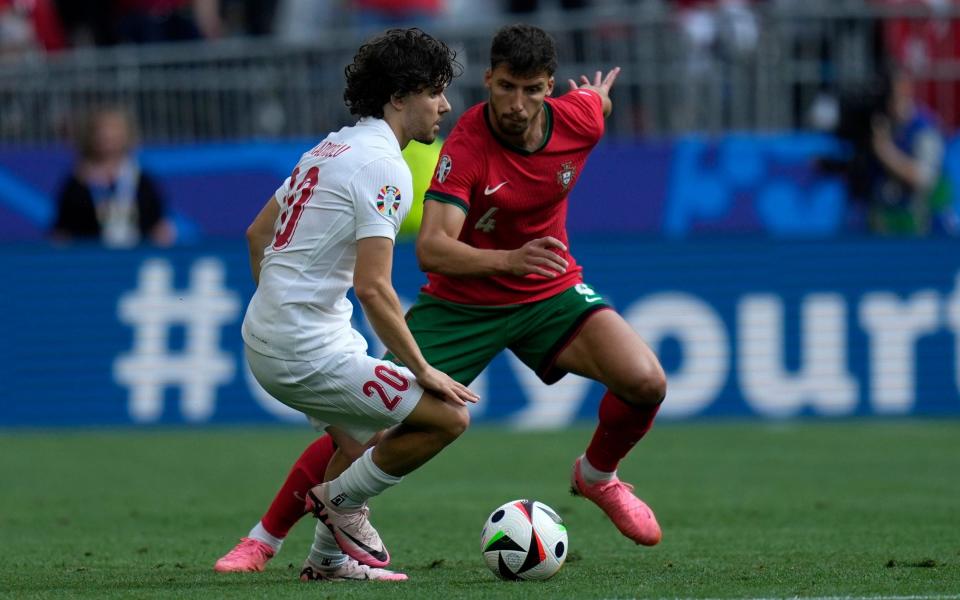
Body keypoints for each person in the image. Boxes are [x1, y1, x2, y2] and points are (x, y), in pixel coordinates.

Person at [215, 23, 667, 574]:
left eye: (532, 90)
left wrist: (596, 97)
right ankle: (265, 539)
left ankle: (597, 477)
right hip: (462, 303)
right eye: (505, 87)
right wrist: (507, 261)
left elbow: (593, 105)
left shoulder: (580, 120)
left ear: (550, 88)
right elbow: (431, 249)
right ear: (489, 80)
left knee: (646, 381)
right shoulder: (464, 144)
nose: (517, 105)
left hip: (548, 290)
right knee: (364, 426)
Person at [235, 27, 476, 583]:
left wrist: (276, 310)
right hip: (307, 350)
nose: (445, 105)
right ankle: (340, 503)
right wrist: (423, 369)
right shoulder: (383, 166)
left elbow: (256, 235)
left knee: (360, 445)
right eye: (435, 91)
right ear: (399, 96)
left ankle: (327, 561)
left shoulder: (329, 146)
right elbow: (374, 287)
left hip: (269, 335)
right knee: (446, 417)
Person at [50, 106, 175, 247]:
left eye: (113, 132)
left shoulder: (141, 181)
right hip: (90, 260)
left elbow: (159, 227)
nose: (106, 137)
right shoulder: (76, 184)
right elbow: (61, 232)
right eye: (101, 132)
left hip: (135, 258)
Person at [867, 68, 947, 235]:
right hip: (885, 220)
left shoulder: (924, 127)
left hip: (921, 225)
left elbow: (924, 177)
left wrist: (885, 151)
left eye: (892, 91)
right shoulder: (878, 124)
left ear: (906, 89)